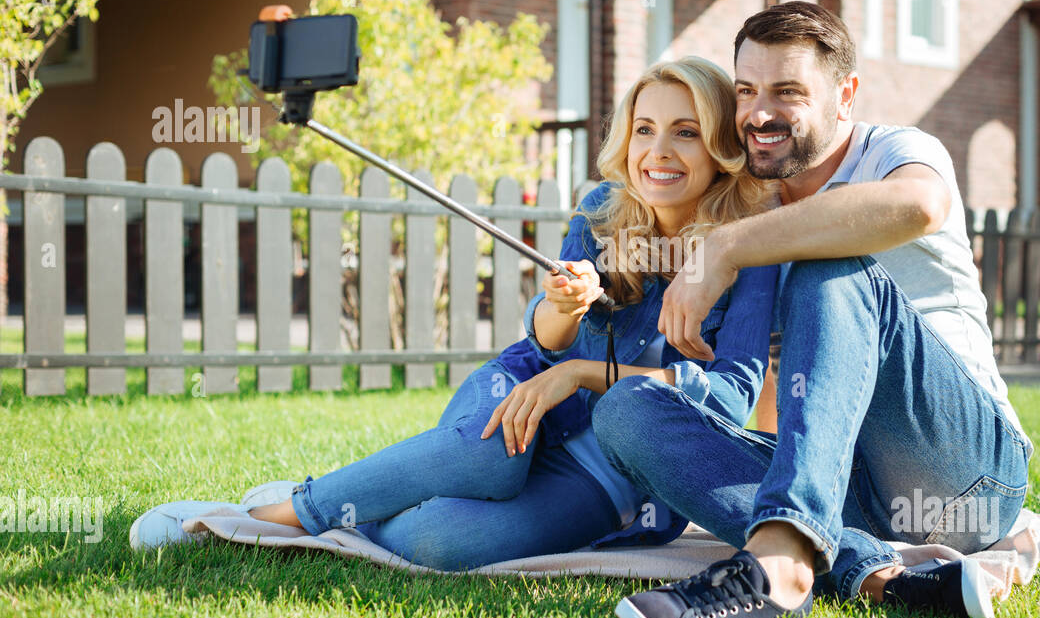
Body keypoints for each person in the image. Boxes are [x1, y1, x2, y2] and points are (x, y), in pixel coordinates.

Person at [129, 57, 779, 570]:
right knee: (490, 455)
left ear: (720, 144)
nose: (658, 151)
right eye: (645, 129)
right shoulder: (604, 211)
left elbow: (726, 400)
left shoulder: (749, 252)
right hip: (514, 402)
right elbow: (544, 347)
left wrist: (584, 377)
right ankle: (276, 515)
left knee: (436, 542)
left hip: (611, 474)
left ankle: (355, 492)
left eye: (685, 132)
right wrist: (559, 308)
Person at [592, 2, 1035, 618]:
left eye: (787, 92)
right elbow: (778, 391)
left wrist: (726, 246)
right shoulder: (750, 193)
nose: (759, 113)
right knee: (629, 410)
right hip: (838, 487)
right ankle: (881, 579)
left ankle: (779, 566)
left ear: (844, 95)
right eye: (746, 91)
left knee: (825, 267)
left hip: (963, 477)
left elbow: (917, 205)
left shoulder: (897, 151)